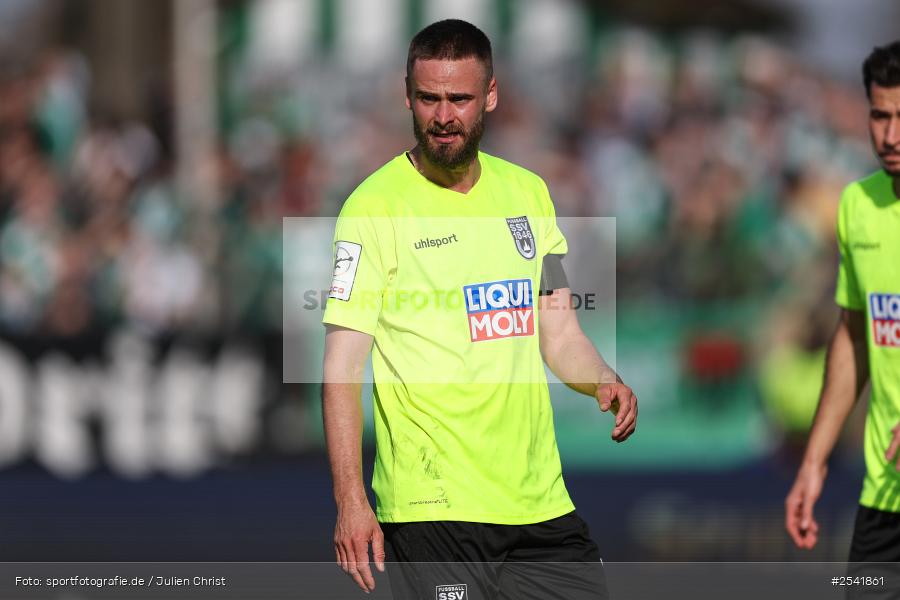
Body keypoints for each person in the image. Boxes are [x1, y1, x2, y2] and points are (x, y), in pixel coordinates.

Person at [321, 19, 636, 599]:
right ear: (407, 95)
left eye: (460, 98)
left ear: (490, 95)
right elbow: (341, 367)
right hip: (433, 508)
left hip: (539, 502)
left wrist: (601, 380)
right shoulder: (372, 209)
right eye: (429, 98)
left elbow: (558, 329)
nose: (444, 116)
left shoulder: (529, 195)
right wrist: (350, 499)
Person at [785, 40, 900, 565]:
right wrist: (815, 461)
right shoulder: (857, 206)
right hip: (884, 499)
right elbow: (856, 337)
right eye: (880, 116)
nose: (890, 135)